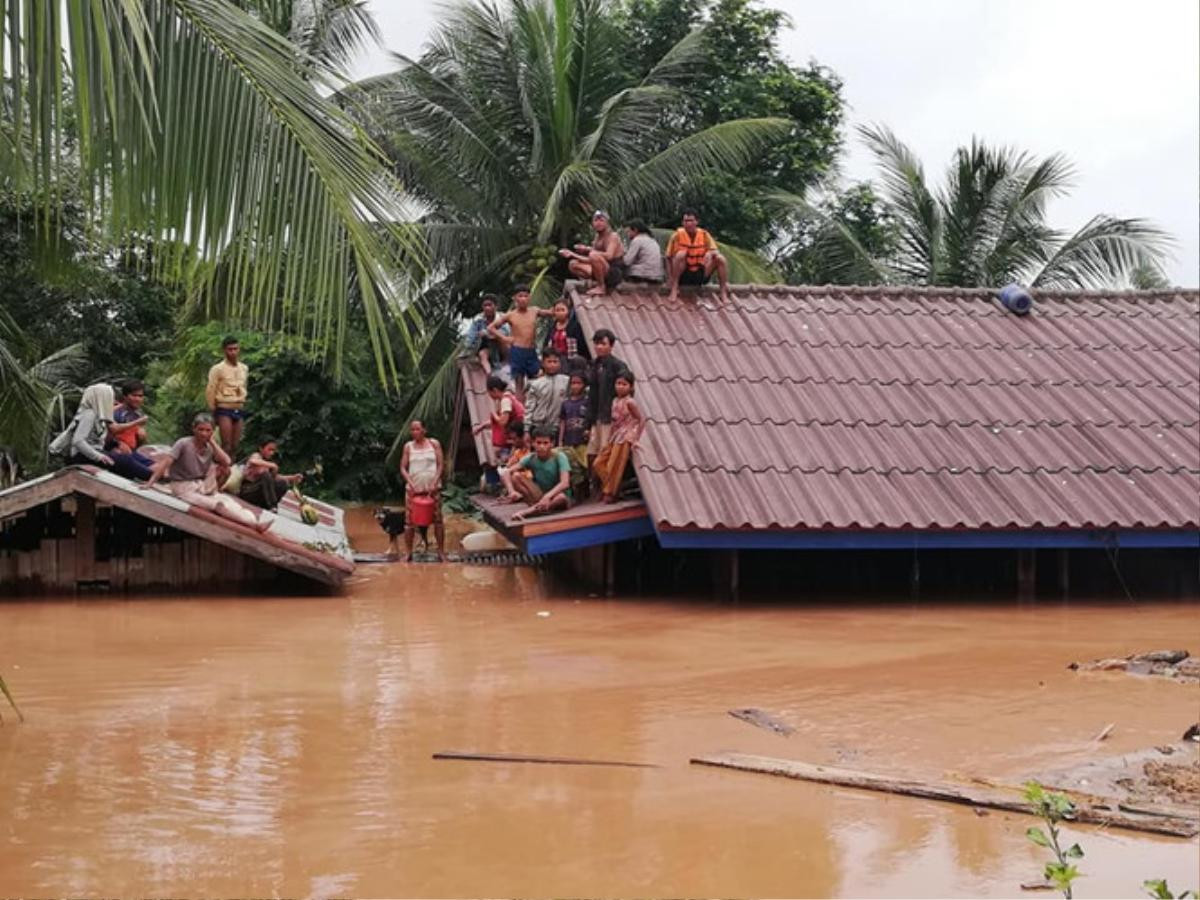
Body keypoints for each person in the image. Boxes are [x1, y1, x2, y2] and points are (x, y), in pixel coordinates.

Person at [144, 413, 271, 532]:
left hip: (201, 485)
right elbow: (165, 463)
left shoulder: (209, 447)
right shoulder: (183, 443)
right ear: (194, 429)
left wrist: (212, 442)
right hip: (183, 487)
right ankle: (254, 525)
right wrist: (150, 483)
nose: (204, 434)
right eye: (201, 429)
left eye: (208, 430)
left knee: (231, 503)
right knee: (218, 505)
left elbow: (227, 461)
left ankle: (255, 521)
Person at [53, 383, 154, 480]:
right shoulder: (90, 414)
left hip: (92, 454)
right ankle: (152, 476)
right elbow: (78, 441)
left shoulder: (97, 416)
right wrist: (99, 457)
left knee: (123, 460)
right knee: (124, 461)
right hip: (83, 456)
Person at [592, 370, 645, 503]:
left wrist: (636, 438)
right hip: (616, 435)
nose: (620, 386)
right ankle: (610, 487)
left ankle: (610, 492)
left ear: (631, 387)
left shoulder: (630, 402)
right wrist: (609, 438)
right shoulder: (615, 400)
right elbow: (614, 422)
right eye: (618, 383)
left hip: (626, 436)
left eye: (624, 384)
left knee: (615, 464)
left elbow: (641, 419)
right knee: (598, 463)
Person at [398, 420, 446, 562]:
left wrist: (435, 481)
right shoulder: (408, 446)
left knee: (438, 520)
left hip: (433, 489)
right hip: (413, 491)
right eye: (412, 430)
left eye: (417, 429)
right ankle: (408, 552)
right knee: (409, 522)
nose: (414, 432)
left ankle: (441, 552)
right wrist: (411, 483)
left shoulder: (434, 444)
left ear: (424, 430)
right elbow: (402, 467)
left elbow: (440, 465)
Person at [584, 329, 628, 473]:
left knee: (604, 454)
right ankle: (594, 487)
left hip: (610, 417)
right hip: (596, 416)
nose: (599, 347)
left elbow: (626, 390)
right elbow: (592, 394)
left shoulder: (618, 366)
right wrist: (588, 421)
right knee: (591, 453)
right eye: (597, 344)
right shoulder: (594, 364)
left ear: (611, 346)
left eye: (603, 344)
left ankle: (606, 488)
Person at [501, 431, 572, 519]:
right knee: (516, 476)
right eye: (538, 443)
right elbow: (506, 472)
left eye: (545, 443)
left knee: (561, 497)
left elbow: (565, 483)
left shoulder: (559, 456)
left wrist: (548, 496)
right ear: (533, 443)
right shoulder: (531, 457)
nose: (541, 446)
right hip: (540, 495)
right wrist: (511, 491)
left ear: (552, 444)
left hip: (558, 495)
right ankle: (538, 507)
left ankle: (528, 512)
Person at [666, 209, 729, 304]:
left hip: (700, 273)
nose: (688, 223)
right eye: (685, 221)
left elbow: (715, 250)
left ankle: (723, 293)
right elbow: (668, 257)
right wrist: (670, 278)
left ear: (696, 222)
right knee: (680, 254)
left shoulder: (704, 235)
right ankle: (674, 289)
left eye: (690, 220)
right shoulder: (676, 236)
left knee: (720, 258)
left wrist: (710, 253)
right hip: (683, 274)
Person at [487, 285, 541, 396]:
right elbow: (491, 327)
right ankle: (521, 409)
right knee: (519, 382)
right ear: (515, 298)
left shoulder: (534, 311)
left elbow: (551, 312)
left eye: (526, 296)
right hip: (517, 350)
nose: (523, 299)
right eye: (520, 296)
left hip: (531, 350)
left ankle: (533, 404)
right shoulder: (511, 315)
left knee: (537, 379)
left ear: (529, 297)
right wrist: (504, 338)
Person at [558, 210, 625, 295]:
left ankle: (601, 287)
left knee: (593, 255)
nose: (598, 223)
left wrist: (589, 250)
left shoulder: (613, 236)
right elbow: (590, 259)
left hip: (613, 272)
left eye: (601, 220)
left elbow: (609, 256)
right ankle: (597, 280)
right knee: (573, 264)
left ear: (607, 223)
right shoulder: (597, 238)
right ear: (592, 223)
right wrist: (572, 254)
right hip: (600, 269)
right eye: (596, 220)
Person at [206, 335, 249, 458]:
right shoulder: (217, 369)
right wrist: (213, 409)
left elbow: (245, 386)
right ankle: (222, 470)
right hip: (224, 407)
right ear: (224, 350)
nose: (233, 352)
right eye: (230, 349)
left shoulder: (244, 368)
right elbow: (211, 389)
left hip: (239, 406)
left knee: (235, 445)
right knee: (226, 444)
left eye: (236, 349)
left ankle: (231, 470)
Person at [472, 374, 525, 468]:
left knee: (505, 458)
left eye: (489, 392)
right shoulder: (507, 398)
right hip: (515, 433)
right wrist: (482, 426)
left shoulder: (505, 400)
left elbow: (502, 422)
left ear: (495, 390)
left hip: (518, 434)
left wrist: (494, 414)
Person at [238, 437, 304, 511]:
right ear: (261, 448)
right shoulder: (257, 456)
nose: (271, 453)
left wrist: (292, 477)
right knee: (265, 475)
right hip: (248, 491)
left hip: (259, 494)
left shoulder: (267, 462)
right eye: (269, 450)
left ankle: (266, 504)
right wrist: (272, 465)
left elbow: (275, 478)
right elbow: (253, 460)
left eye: (273, 450)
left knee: (283, 483)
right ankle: (272, 505)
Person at [106, 380, 156, 475]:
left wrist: (141, 438)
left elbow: (136, 440)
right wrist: (117, 443)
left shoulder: (137, 414)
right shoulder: (117, 412)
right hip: (116, 452)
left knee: (159, 468)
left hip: (132, 452)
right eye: (134, 395)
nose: (137, 399)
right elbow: (107, 433)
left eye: (140, 396)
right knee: (150, 473)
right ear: (125, 396)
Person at [523, 349, 569, 441]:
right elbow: (529, 407)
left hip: (556, 427)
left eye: (555, 362)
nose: (552, 365)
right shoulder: (536, 384)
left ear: (560, 363)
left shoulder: (566, 381)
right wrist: (526, 430)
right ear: (543, 363)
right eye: (549, 362)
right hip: (537, 426)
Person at [558, 372, 590, 498]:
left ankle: (586, 489)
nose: (575, 386)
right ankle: (577, 492)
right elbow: (562, 423)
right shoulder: (565, 404)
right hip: (569, 440)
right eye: (573, 383)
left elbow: (590, 420)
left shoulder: (587, 402)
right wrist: (560, 440)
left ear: (584, 385)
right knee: (572, 466)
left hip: (582, 440)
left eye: (578, 383)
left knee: (584, 465)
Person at [462, 293, 511, 375]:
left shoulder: (502, 317)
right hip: (487, 348)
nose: (487, 308)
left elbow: (506, 333)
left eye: (490, 305)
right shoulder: (478, 320)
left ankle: (508, 362)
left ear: (496, 306)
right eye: (485, 305)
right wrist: (476, 338)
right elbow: (470, 339)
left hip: (502, 347)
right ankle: (490, 374)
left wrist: (489, 333)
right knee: (482, 354)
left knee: (498, 339)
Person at [540, 297, 589, 373]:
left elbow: (582, 345)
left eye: (562, 310)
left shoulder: (574, 326)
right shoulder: (552, 327)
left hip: (571, 362)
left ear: (568, 311)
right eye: (557, 310)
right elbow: (546, 345)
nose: (560, 313)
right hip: (555, 362)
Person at [623, 219, 664, 285]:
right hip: (657, 274)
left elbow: (627, 261)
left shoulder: (637, 240)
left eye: (629, 231)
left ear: (635, 230)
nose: (628, 234)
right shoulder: (652, 239)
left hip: (644, 273)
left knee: (620, 267)